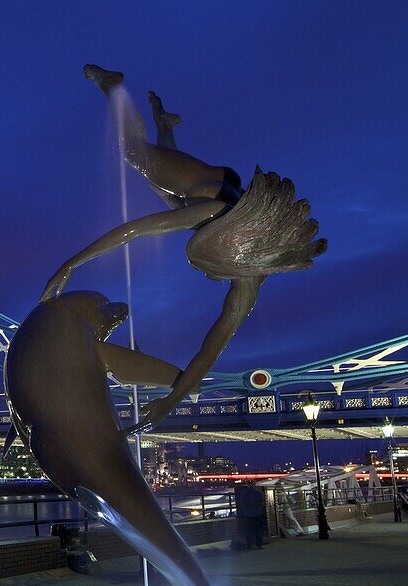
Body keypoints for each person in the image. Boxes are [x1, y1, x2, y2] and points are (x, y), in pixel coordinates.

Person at [44, 66, 327, 433]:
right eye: (205, 267)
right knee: (136, 154)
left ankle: (166, 124)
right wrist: (71, 264)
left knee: (170, 200)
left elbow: (210, 351)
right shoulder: (209, 210)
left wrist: (171, 401)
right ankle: (114, 88)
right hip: (207, 182)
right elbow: (134, 231)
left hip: (212, 199)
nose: (205, 274)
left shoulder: (249, 281)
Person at [235, 484, 266, 549]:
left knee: (249, 530)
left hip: (247, 514)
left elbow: (241, 503)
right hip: (257, 513)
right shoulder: (258, 493)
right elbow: (262, 503)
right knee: (258, 530)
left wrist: (245, 509)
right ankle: (259, 545)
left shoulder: (244, 493)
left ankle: (249, 545)